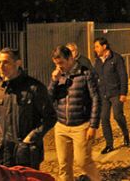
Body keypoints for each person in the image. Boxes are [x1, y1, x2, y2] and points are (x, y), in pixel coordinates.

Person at [0, 48, 56, 169]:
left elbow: (50, 117)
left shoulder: (34, 88)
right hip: (1, 153)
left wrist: (31, 137)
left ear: (18, 63)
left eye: (6, 62)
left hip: (25, 153)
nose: (1, 66)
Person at [48, 45, 101, 181]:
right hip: (61, 126)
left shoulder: (85, 73)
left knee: (83, 161)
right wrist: (54, 81)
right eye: (56, 64)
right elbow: (49, 98)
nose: (59, 67)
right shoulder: (59, 75)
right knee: (63, 165)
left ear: (70, 58)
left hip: (81, 125)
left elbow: (95, 98)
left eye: (61, 63)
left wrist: (93, 125)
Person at [93, 37, 130, 154]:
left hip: (116, 92)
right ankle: (109, 144)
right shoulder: (98, 61)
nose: (95, 49)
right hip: (103, 94)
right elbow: (96, 76)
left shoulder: (116, 58)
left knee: (118, 116)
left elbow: (123, 76)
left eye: (97, 46)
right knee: (104, 118)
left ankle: (125, 134)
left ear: (104, 47)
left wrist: (123, 93)